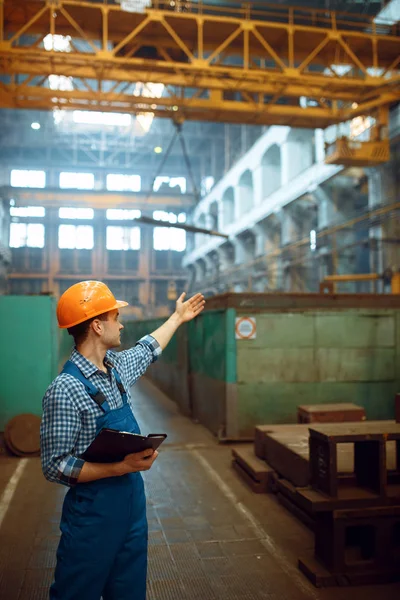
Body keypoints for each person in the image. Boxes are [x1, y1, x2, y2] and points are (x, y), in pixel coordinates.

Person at [40, 280, 205, 600]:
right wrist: (119, 467)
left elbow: (148, 348)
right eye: (116, 317)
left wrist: (177, 318)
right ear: (98, 326)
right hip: (91, 519)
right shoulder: (65, 389)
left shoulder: (115, 370)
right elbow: (55, 466)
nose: (122, 323)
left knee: (128, 591)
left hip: (131, 511)